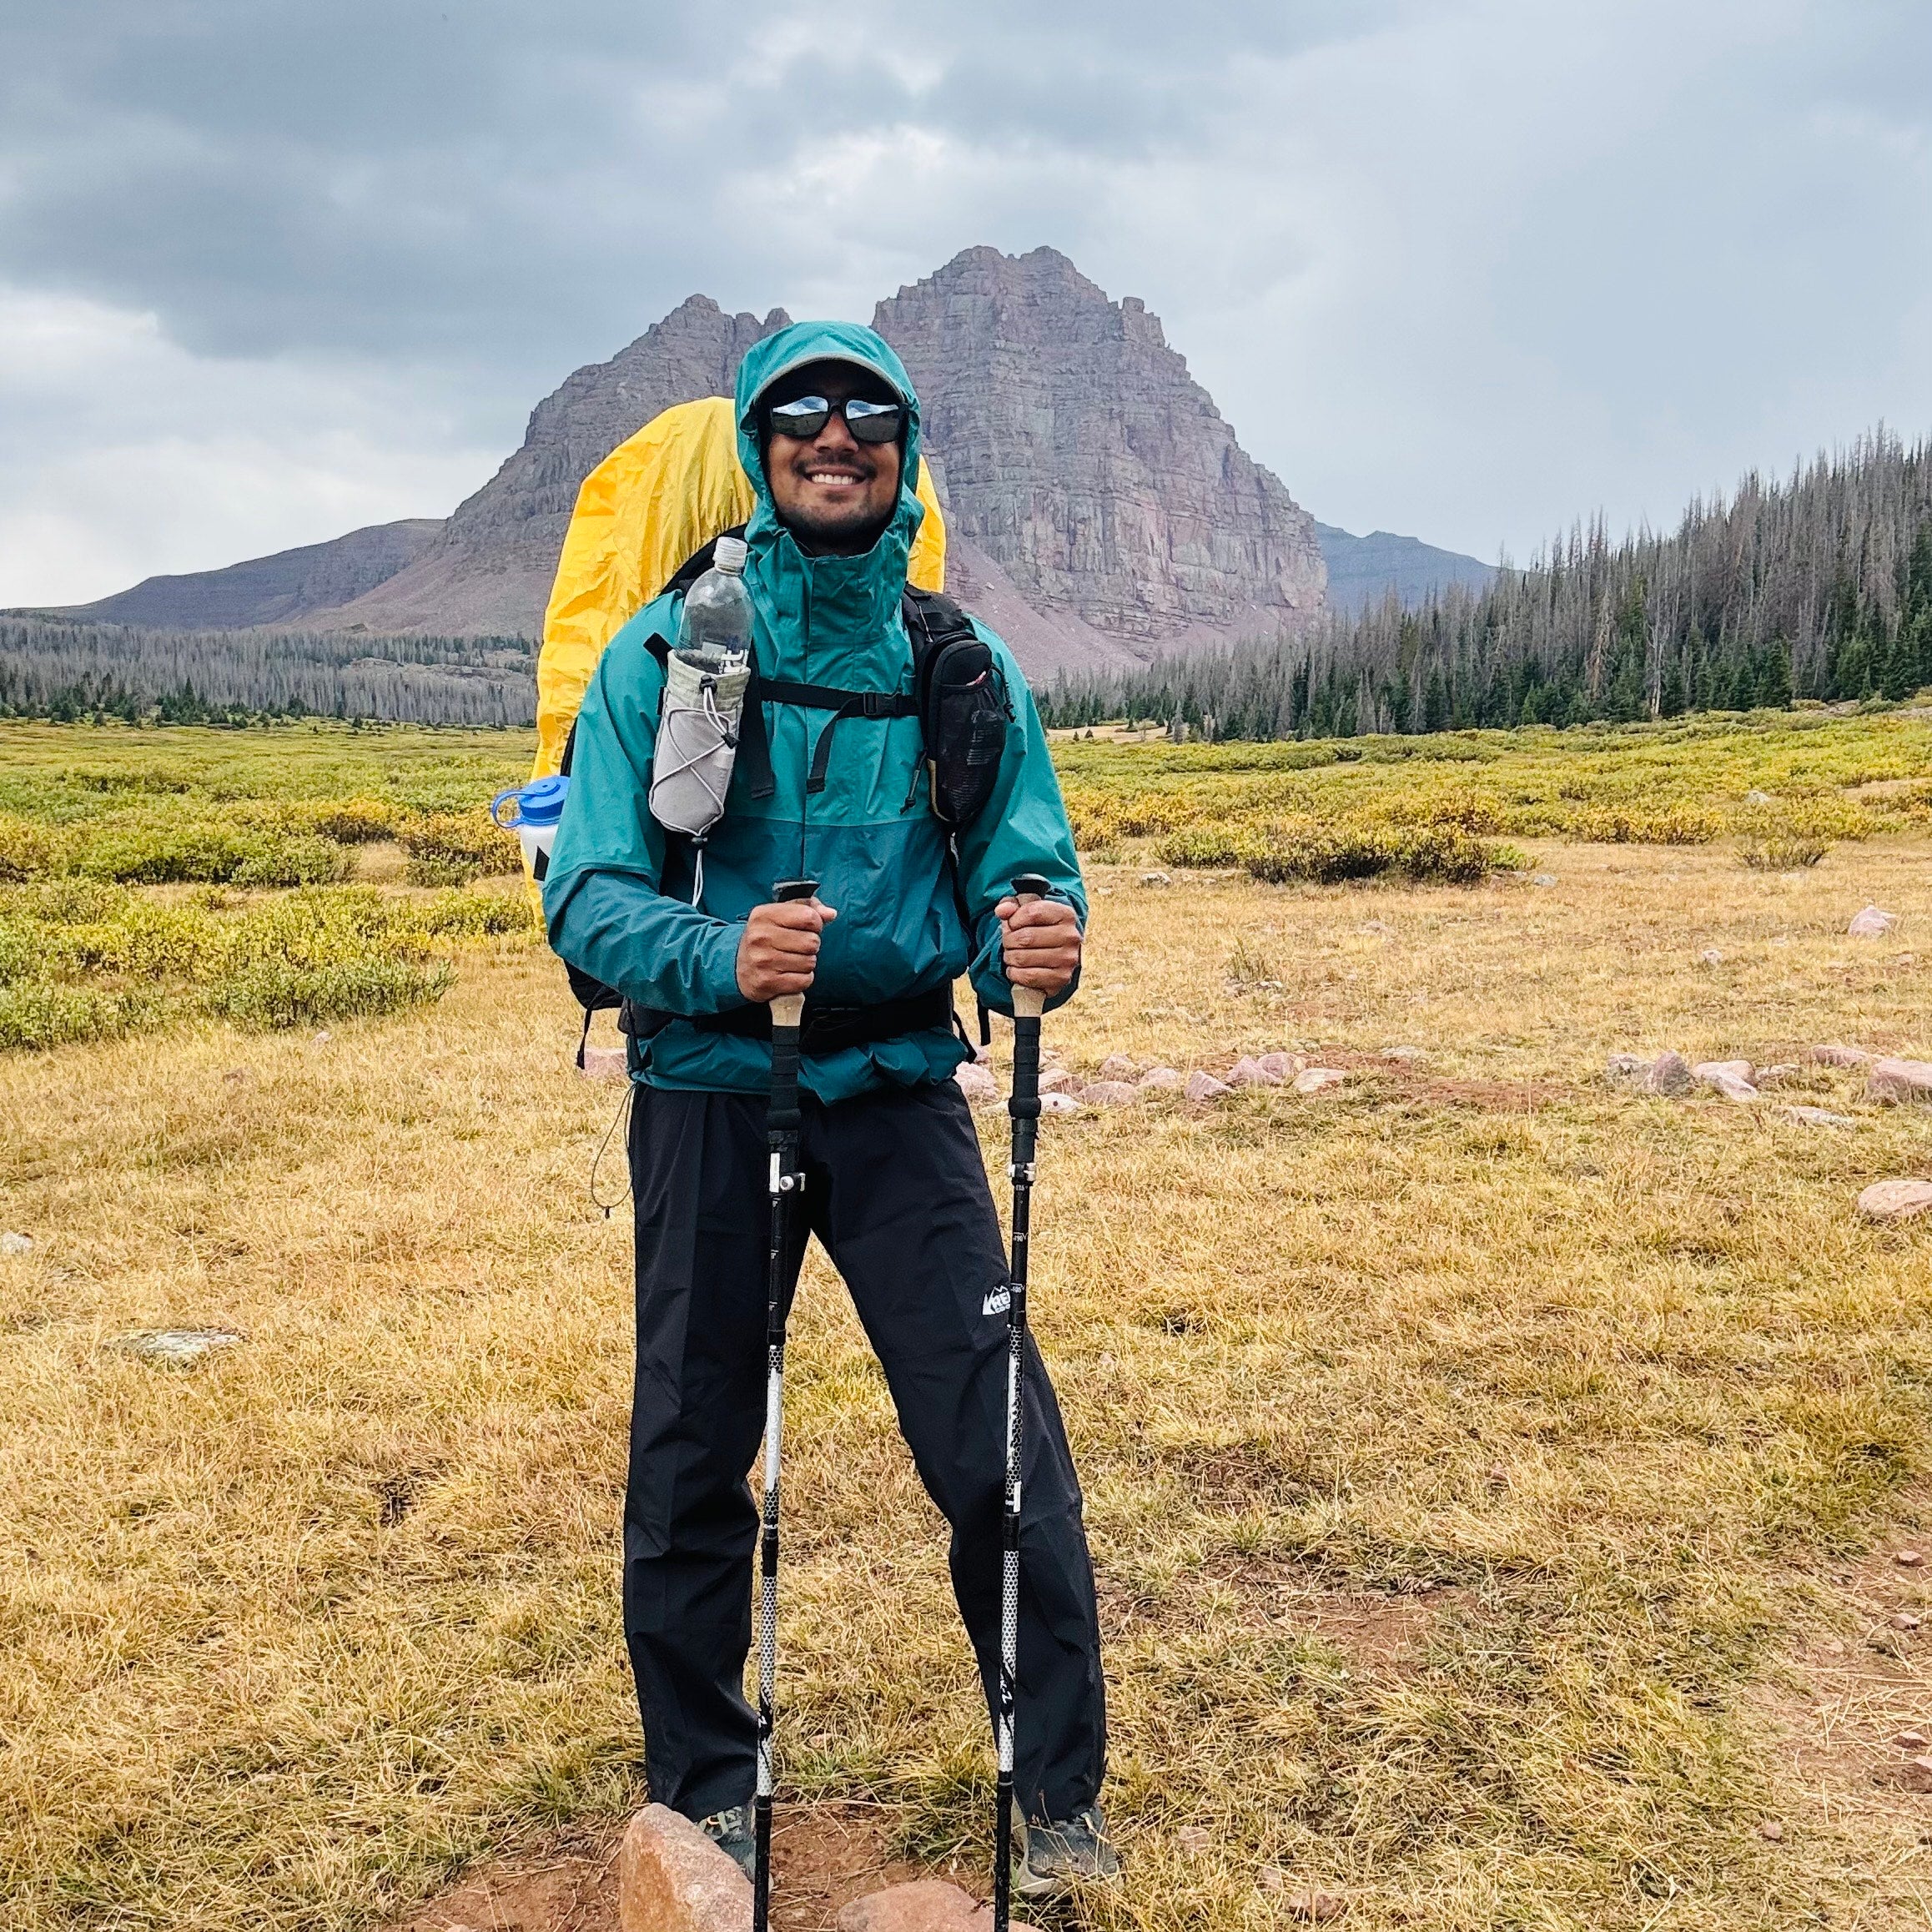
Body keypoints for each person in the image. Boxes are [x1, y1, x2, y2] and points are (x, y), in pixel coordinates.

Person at [541, 319, 1116, 1900]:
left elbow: (1025, 862)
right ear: (758, 443)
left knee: (1001, 1440)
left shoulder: (958, 668)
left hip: (898, 1088)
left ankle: (1056, 1798)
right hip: (716, 1091)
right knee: (690, 1451)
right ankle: (704, 1792)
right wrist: (719, 955)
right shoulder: (671, 655)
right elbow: (587, 896)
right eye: (803, 411)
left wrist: (1040, 942)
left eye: (870, 412)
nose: (836, 434)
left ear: (907, 447)